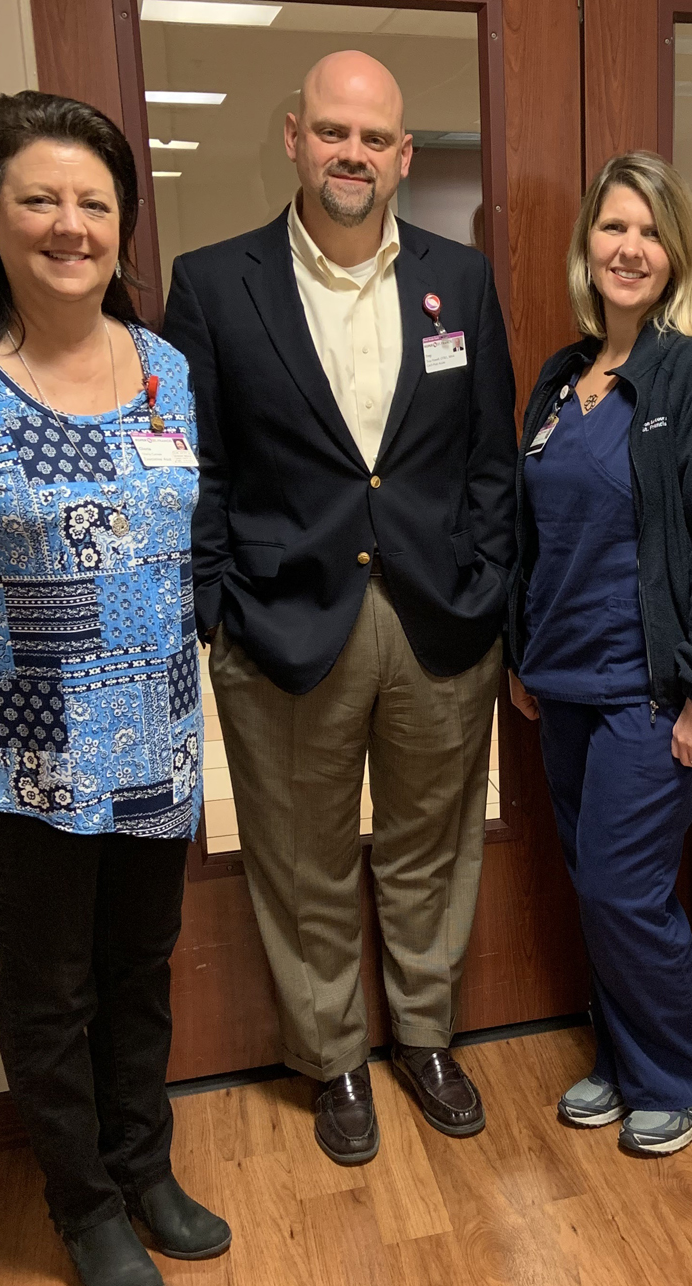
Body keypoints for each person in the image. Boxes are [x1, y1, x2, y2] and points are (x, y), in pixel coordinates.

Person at [0, 92, 229, 1286]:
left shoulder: (165, 370)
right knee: (50, 989)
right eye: (40, 199)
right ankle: (82, 1204)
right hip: (20, 753)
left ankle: (146, 1167)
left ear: (123, 222)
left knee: (140, 967)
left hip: (157, 736)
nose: (70, 224)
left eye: (94, 201)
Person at [161, 53, 516, 1165]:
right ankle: (334, 1057)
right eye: (331, 132)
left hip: (437, 618)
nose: (351, 154)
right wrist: (215, 606)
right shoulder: (213, 284)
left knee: (431, 846)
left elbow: (489, 456)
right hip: (280, 621)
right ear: (293, 137)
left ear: (403, 154)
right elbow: (197, 465)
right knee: (301, 857)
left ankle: (425, 1037)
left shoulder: (461, 280)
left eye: (372, 137)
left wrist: (488, 582)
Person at [506, 152, 692, 1156]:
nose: (629, 248)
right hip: (562, 682)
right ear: (588, 245)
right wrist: (521, 652)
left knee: (625, 886)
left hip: (650, 691)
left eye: (651, 232)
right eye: (613, 227)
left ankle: (686, 1071)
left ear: (677, 255)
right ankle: (626, 1059)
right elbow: (534, 533)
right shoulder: (561, 378)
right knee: (597, 884)